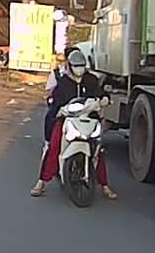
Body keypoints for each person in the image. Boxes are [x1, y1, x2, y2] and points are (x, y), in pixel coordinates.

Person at [31, 48, 118, 200]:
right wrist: (58, 110)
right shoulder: (63, 82)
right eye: (76, 66)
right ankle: (42, 182)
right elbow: (55, 101)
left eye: (81, 66)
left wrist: (104, 99)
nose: (79, 69)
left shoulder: (91, 80)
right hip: (68, 119)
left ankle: (104, 185)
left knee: (98, 149)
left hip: (89, 118)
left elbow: (100, 93)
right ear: (70, 66)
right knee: (54, 146)